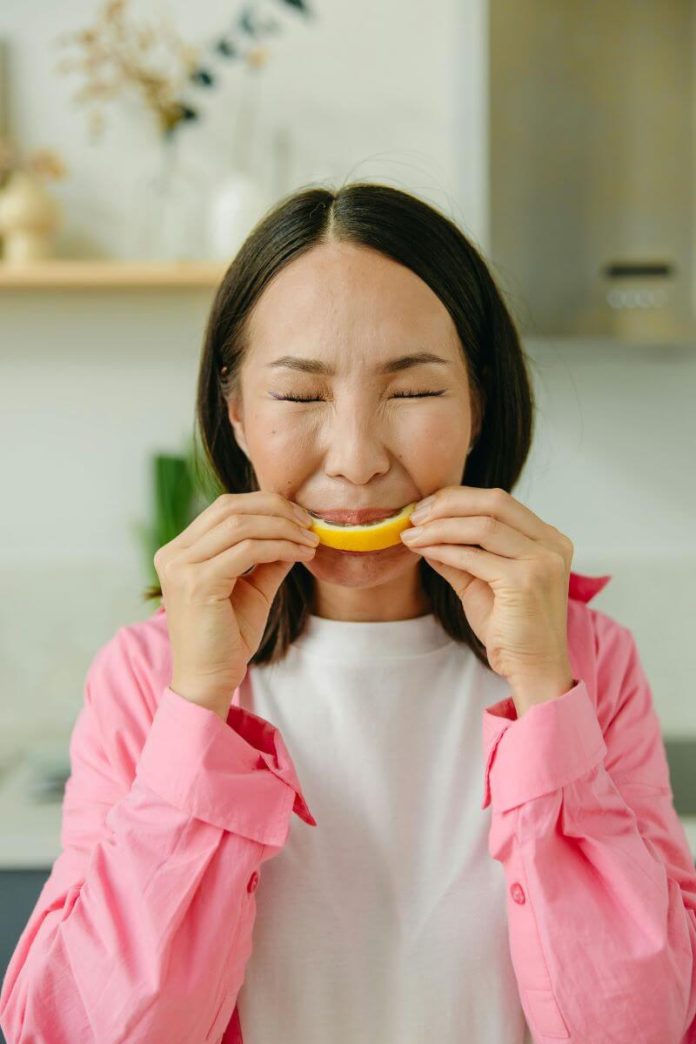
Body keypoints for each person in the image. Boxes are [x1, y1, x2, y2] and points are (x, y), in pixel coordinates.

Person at [1, 183, 695, 1044]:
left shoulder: (588, 662)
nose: (358, 461)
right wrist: (198, 705)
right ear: (236, 413)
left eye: (412, 392)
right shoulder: (148, 679)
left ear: (478, 406)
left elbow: (645, 1027)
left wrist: (547, 693)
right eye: (300, 397)